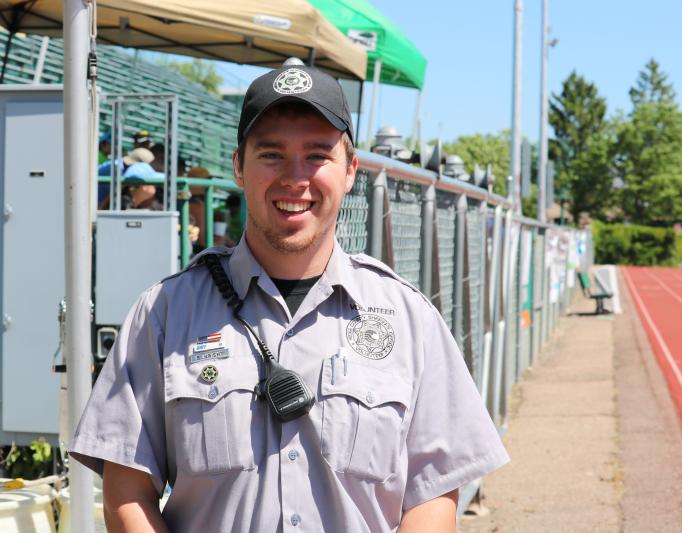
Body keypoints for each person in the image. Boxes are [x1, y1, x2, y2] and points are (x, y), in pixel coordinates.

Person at [70, 64, 508, 532]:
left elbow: (434, 494)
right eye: (272, 155)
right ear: (239, 166)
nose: (295, 178)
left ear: (350, 171)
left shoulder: (408, 319)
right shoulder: (163, 314)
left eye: (317, 155)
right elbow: (128, 490)